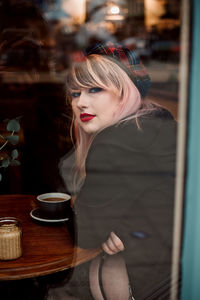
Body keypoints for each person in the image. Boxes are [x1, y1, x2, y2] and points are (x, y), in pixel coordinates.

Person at [53, 42, 177, 300]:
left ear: (125, 92)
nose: (80, 103)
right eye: (75, 93)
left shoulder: (116, 143)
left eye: (95, 89)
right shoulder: (155, 121)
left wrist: (96, 222)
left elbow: (86, 235)